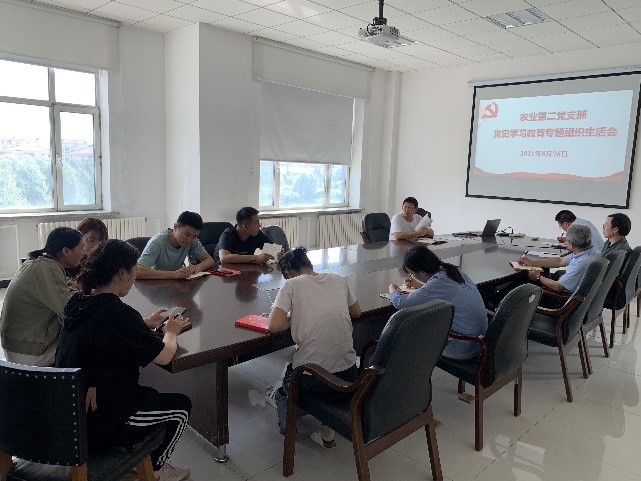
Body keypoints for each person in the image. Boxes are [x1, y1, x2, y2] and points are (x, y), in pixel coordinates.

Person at [55, 239, 193, 481]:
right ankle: (157, 469)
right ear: (122, 273)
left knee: (151, 394)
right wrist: (171, 331)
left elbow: (102, 329)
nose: (135, 274)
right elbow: (164, 356)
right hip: (105, 417)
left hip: (72, 412)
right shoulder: (117, 313)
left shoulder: (77, 302)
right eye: (134, 269)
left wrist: (143, 323)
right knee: (181, 407)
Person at [267, 247, 361, 448]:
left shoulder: (291, 284)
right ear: (309, 264)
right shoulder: (338, 279)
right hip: (349, 374)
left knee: (282, 391)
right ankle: (328, 429)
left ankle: (289, 429)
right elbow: (356, 312)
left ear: (288, 273)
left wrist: (294, 316)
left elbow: (274, 325)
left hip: (313, 380)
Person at [0, 227, 84, 366]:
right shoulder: (48, 269)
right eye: (81, 248)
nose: (84, 253)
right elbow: (70, 311)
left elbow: (63, 287)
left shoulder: (37, 262)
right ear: (65, 251)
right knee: (90, 335)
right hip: (28, 353)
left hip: (15, 346)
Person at [388, 245, 487, 359]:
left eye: (412, 274)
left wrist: (392, 289)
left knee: (410, 330)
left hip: (463, 347)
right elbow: (443, 290)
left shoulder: (438, 284)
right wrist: (423, 285)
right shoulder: (451, 270)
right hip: (479, 341)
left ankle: (411, 367)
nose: (412, 277)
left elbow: (400, 302)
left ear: (422, 272)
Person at [518, 224, 600, 293]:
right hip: (579, 291)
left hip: (563, 298)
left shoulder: (581, 262)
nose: (565, 242)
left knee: (525, 283)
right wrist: (533, 263)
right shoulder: (591, 251)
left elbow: (558, 287)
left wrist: (538, 277)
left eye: (567, 241)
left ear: (572, 244)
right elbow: (560, 261)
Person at [137, 211, 214, 279]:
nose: (189, 240)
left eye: (195, 236)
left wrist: (197, 267)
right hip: (156, 284)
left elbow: (209, 260)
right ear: (175, 227)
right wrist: (173, 274)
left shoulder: (193, 240)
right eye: (186, 235)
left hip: (177, 283)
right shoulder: (157, 242)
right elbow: (137, 271)